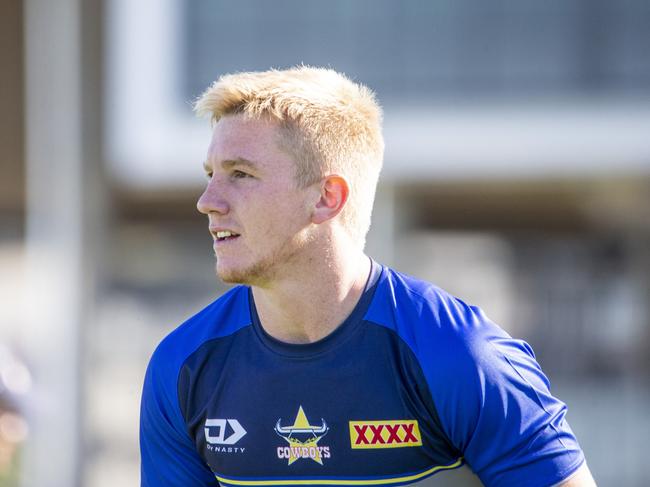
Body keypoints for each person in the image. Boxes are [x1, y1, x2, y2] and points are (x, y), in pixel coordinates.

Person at [140, 66, 596, 487]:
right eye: (210, 174)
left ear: (326, 197)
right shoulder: (182, 367)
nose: (207, 200)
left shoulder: (460, 358)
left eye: (240, 174)